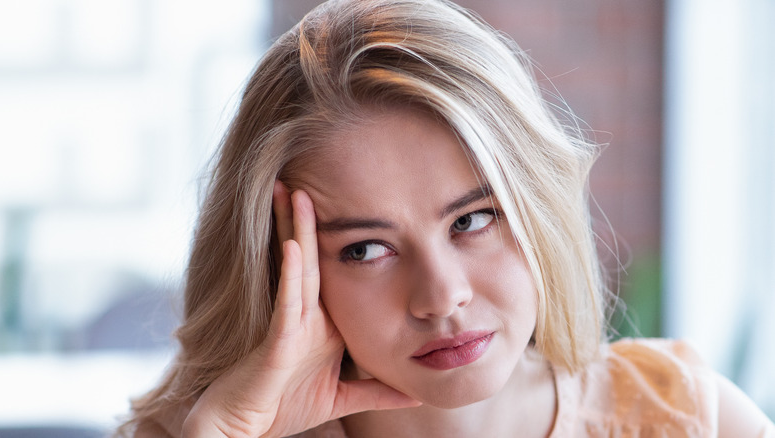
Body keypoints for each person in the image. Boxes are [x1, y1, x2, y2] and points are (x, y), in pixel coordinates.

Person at [116, 0, 775, 436]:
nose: (441, 296)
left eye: (472, 221)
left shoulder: (692, 418)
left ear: (535, 205)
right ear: (276, 265)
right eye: (365, 249)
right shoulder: (204, 432)